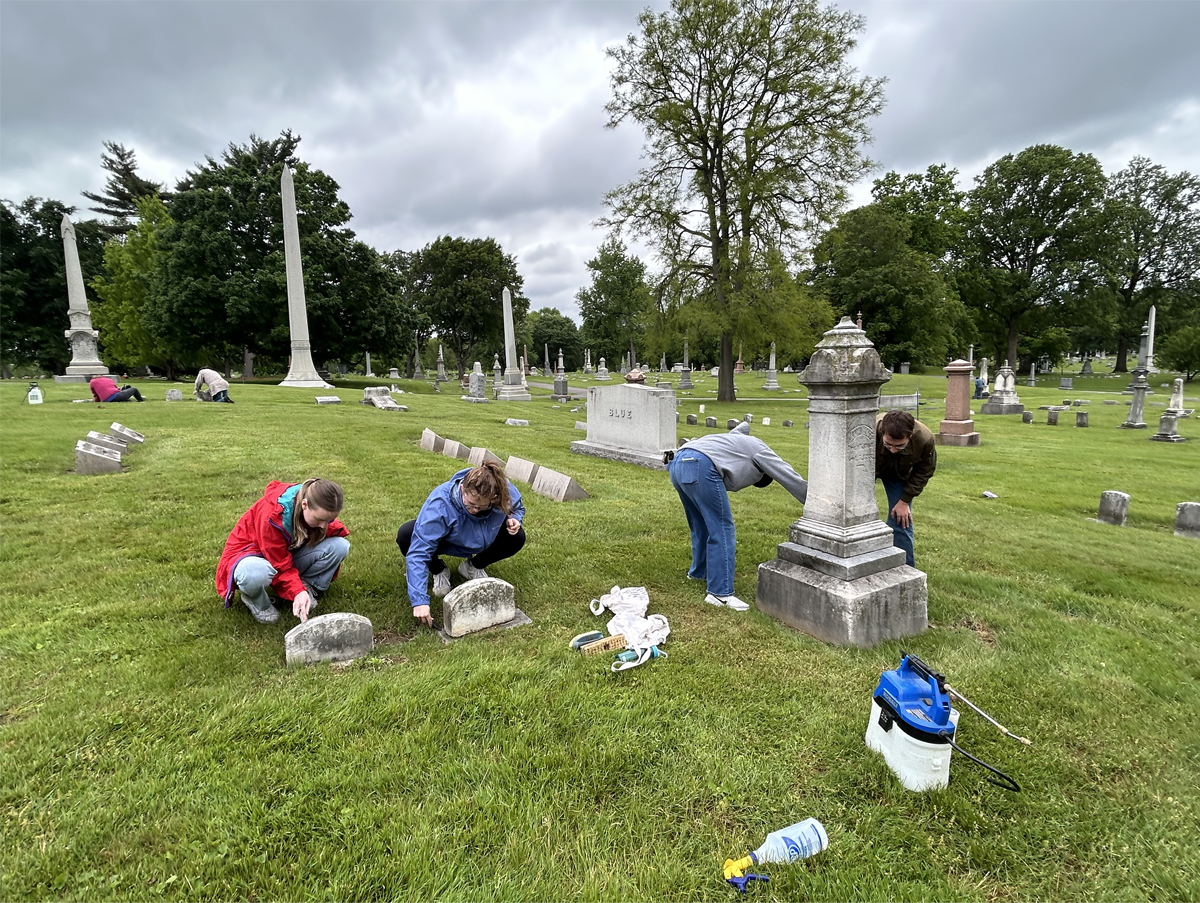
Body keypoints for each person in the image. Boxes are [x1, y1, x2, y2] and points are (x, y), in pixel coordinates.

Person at [666, 422, 808, 611]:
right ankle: (720, 594)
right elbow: (788, 476)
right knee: (722, 528)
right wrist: (814, 501)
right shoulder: (760, 449)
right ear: (763, 471)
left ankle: (698, 572)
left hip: (677, 462)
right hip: (700, 463)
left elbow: (742, 426)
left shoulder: (736, 442)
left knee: (700, 525)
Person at [396, 461, 526, 627]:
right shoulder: (440, 504)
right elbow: (419, 552)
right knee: (407, 535)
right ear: (463, 489)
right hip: (448, 540)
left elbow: (517, 508)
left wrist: (515, 519)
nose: (474, 510)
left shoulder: (501, 489)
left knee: (517, 537)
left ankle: (473, 566)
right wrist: (419, 601)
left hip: (485, 535)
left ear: (493, 498)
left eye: (481, 507)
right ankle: (438, 570)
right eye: (471, 505)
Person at [216, 479, 350, 624]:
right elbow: (279, 563)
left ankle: (307, 587)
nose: (323, 525)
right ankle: (256, 600)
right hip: (252, 557)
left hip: (280, 555)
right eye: (319, 519)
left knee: (340, 546)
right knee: (254, 573)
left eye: (329, 520)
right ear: (304, 504)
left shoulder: (314, 502)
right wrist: (296, 590)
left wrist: (300, 589)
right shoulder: (272, 517)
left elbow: (332, 534)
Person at [875, 410, 937, 567]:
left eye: (900, 446)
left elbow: (925, 470)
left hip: (899, 474)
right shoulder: (866, 429)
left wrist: (904, 501)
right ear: (882, 432)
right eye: (888, 444)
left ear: (911, 435)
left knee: (901, 519)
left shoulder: (924, 438)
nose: (893, 450)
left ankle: (904, 568)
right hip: (866, 470)